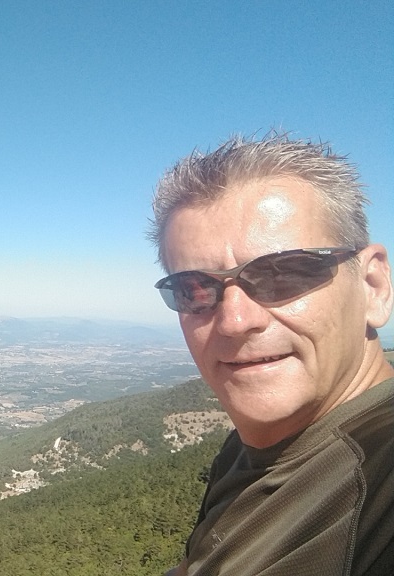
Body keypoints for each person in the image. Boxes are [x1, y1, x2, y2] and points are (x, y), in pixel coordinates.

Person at [149, 133, 393, 576]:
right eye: (196, 290)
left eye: (282, 273)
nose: (235, 321)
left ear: (372, 287)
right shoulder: (254, 440)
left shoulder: (379, 483)